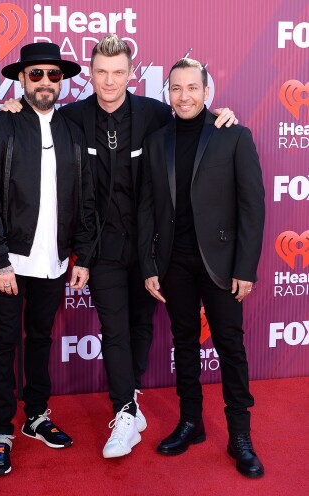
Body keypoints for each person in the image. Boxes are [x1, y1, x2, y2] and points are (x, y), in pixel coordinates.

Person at [0, 34, 236, 459]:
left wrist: (222, 116)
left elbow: (191, 115)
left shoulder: (154, 113)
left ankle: (132, 396)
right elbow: (35, 119)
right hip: (100, 246)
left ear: (132, 75)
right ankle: (124, 411)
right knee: (114, 328)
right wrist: (15, 107)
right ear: (90, 74)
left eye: (118, 73)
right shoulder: (71, 117)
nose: (109, 81)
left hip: (150, 246)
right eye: (102, 73)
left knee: (141, 326)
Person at [0, 42, 95, 475]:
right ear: (20, 79)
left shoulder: (74, 130)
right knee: (5, 344)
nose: (45, 82)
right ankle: (1, 429)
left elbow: (86, 199)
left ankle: (37, 416)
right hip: (11, 263)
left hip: (55, 262)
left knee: (41, 338)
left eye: (54, 75)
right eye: (36, 74)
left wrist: (82, 256)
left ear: (64, 81)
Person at [137, 57, 265, 478]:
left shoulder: (234, 135)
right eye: (176, 88)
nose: (184, 95)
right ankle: (190, 422)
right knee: (184, 343)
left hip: (223, 263)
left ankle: (240, 436)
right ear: (167, 92)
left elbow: (252, 207)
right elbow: (149, 207)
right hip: (175, 261)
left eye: (192, 87)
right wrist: (150, 262)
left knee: (230, 346)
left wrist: (245, 267)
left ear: (207, 91)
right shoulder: (158, 141)